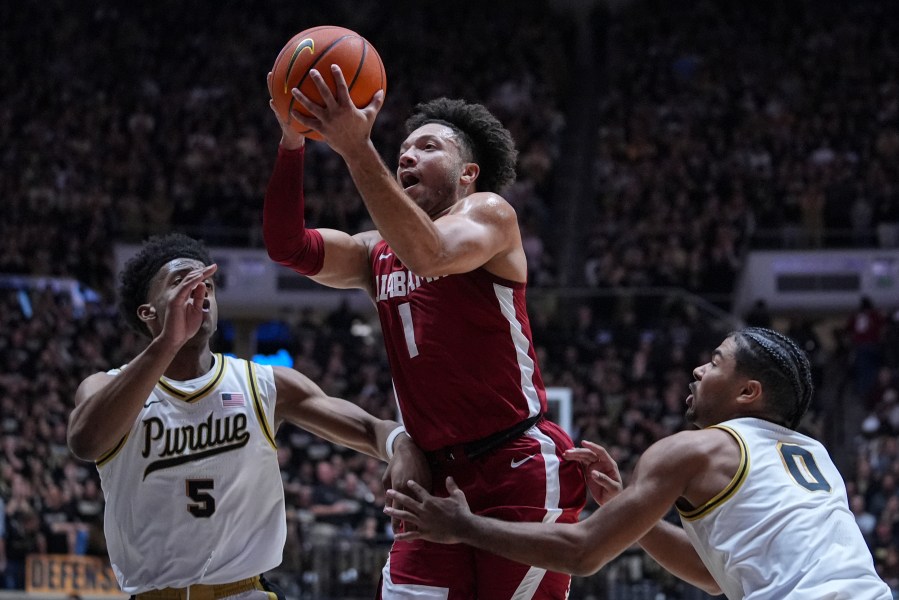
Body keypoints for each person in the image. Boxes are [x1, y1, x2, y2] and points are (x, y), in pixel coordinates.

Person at [263, 68, 586, 598]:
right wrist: (292, 142)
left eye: (428, 147)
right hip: (432, 478)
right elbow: (288, 247)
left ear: (467, 173)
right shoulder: (375, 252)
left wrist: (354, 150)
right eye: (402, 150)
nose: (406, 156)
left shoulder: (489, 214)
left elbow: (431, 253)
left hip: (515, 466)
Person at [385, 327, 892, 599]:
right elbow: (712, 575)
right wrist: (629, 508)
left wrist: (464, 526)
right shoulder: (814, 454)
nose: (698, 368)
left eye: (715, 362)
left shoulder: (694, 448)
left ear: (747, 392)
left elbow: (583, 553)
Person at [67, 233, 427, 599]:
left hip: (244, 592)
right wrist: (168, 342)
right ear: (148, 312)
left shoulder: (263, 385)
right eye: (181, 283)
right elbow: (85, 441)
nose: (199, 293)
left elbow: (369, 428)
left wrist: (400, 444)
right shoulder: (104, 387)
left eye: (206, 284)